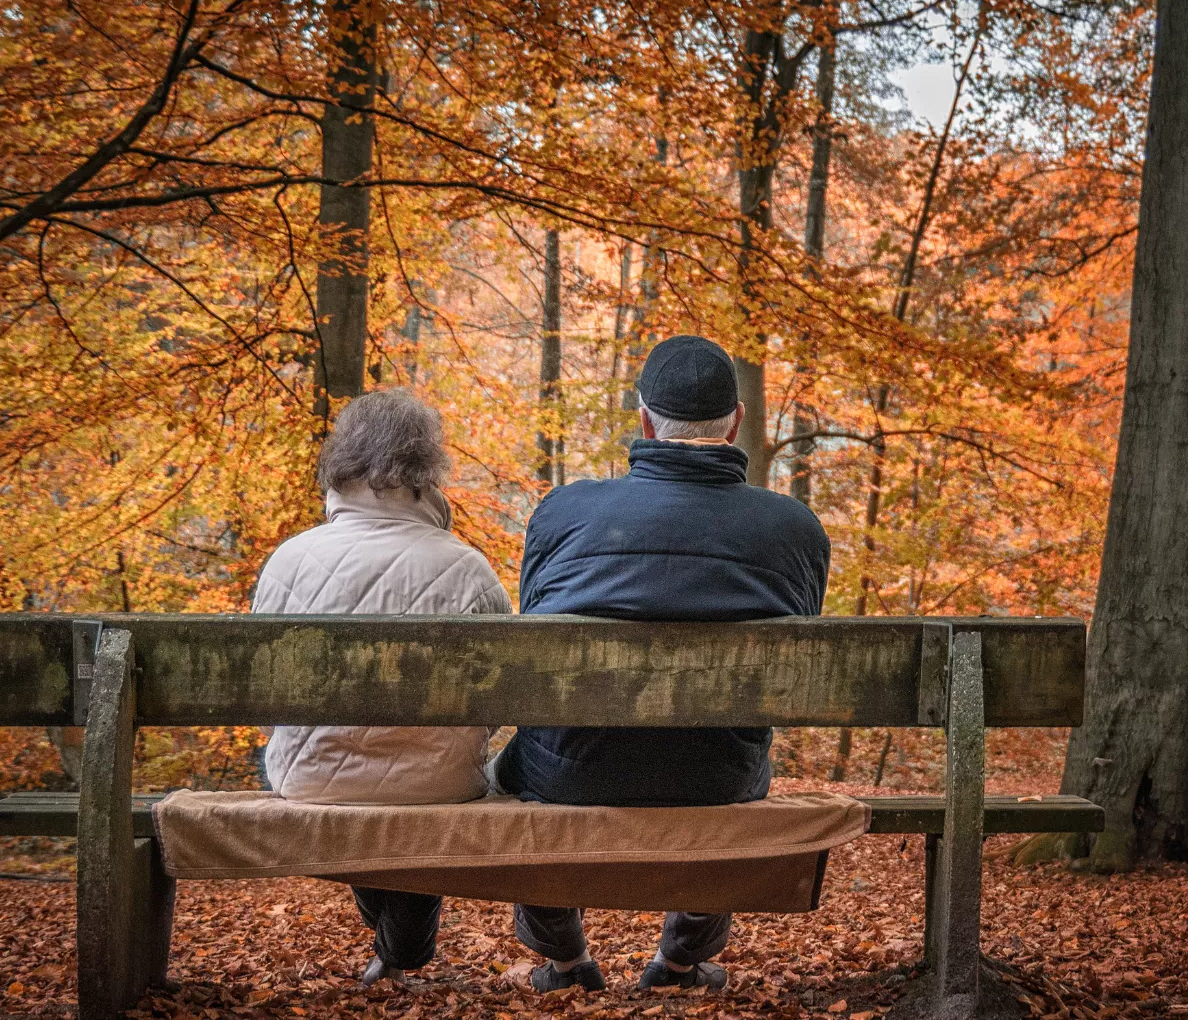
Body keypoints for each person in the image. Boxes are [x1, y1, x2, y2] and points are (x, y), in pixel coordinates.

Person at [491, 335, 832, 994]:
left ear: (645, 420)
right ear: (734, 422)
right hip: (717, 775)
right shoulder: (794, 530)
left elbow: (537, 632)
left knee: (528, 759)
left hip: (571, 773)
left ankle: (564, 963)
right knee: (726, 752)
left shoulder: (563, 513)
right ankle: (679, 963)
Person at [253, 389, 511, 986]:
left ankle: (398, 952)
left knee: (361, 792)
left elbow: (267, 701)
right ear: (427, 472)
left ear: (341, 466)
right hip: (439, 781)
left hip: (308, 779)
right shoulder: (467, 567)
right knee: (415, 789)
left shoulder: (288, 561)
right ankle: (405, 953)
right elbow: (496, 702)